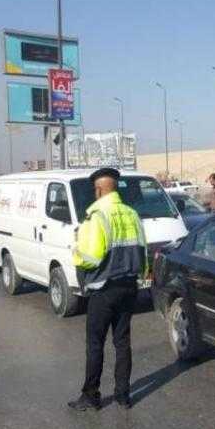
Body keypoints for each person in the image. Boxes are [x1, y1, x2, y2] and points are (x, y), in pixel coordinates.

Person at [68, 168, 148, 411]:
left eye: (95, 189)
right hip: (129, 286)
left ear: (100, 189)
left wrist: (76, 250)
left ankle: (91, 396)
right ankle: (123, 396)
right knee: (122, 342)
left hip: (104, 289)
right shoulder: (132, 214)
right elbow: (142, 251)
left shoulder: (97, 216)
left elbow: (90, 257)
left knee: (95, 343)